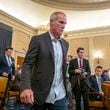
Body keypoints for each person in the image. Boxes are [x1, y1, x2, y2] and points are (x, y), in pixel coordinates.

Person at [20, 12, 69, 110]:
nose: (63, 26)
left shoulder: (65, 44)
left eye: (65, 23)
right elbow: (27, 65)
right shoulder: (38, 40)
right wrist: (25, 87)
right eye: (61, 22)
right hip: (39, 93)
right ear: (51, 22)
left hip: (60, 94)